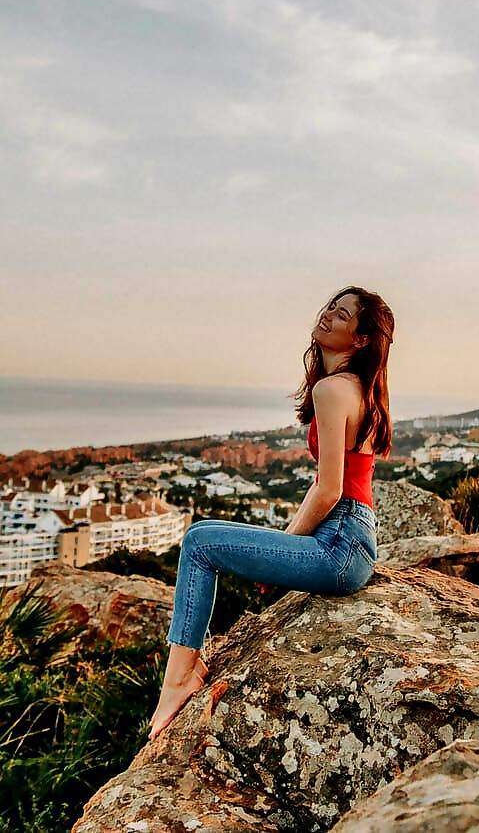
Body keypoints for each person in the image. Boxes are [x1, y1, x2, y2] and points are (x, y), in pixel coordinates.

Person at [148, 285, 395, 740]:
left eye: (342, 316)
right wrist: (288, 541)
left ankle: (180, 675)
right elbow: (328, 487)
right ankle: (183, 670)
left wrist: (292, 546)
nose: (328, 317)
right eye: (330, 308)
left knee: (200, 541)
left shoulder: (332, 390)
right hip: (353, 539)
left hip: (339, 543)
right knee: (206, 539)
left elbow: (329, 490)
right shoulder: (358, 388)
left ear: (360, 340)